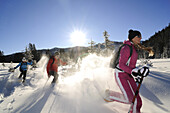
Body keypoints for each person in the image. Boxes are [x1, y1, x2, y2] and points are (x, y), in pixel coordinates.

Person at [106, 29, 153, 113]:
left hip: (129, 75)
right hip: (121, 74)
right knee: (130, 99)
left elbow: (131, 65)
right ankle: (109, 95)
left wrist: (138, 73)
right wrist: (134, 71)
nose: (140, 38)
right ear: (132, 38)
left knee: (137, 101)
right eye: (138, 36)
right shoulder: (126, 48)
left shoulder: (133, 48)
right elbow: (121, 65)